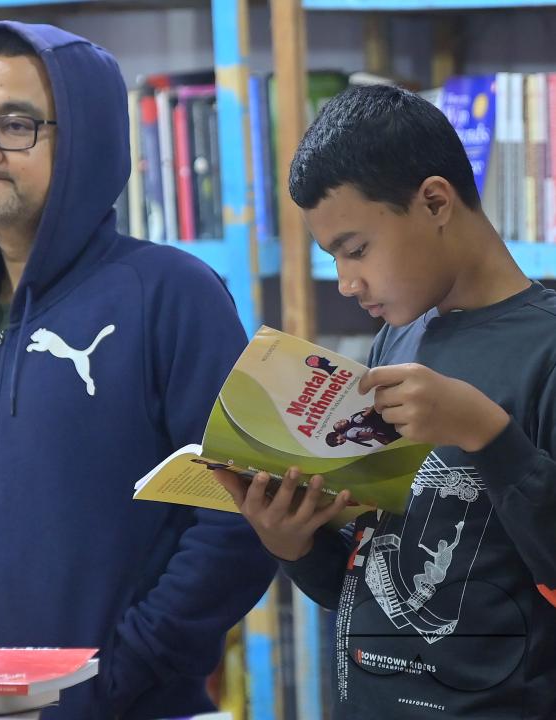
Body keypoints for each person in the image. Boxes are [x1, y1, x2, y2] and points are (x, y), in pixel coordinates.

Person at [0, 21, 276, 720]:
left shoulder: (173, 296)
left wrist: (121, 672)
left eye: (16, 125)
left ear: (83, 137)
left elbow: (238, 515)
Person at [215, 84, 556, 719]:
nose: (347, 283)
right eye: (333, 258)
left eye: (356, 249)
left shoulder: (546, 351)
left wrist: (488, 435)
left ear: (433, 202)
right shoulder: (397, 341)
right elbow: (368, 584)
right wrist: (294, 543)